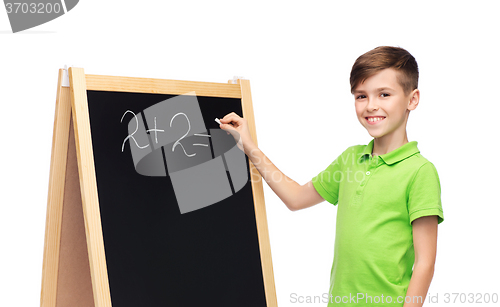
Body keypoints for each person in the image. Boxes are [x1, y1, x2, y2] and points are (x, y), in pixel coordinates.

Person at [219, 46, 444, 307]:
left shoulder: (419, 171)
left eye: (384, 94)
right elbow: (295, 198)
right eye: (361, 96)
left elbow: (425, 262)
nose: (371, 106)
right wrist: (249, 146)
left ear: (412, 99)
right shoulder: (350, 159)